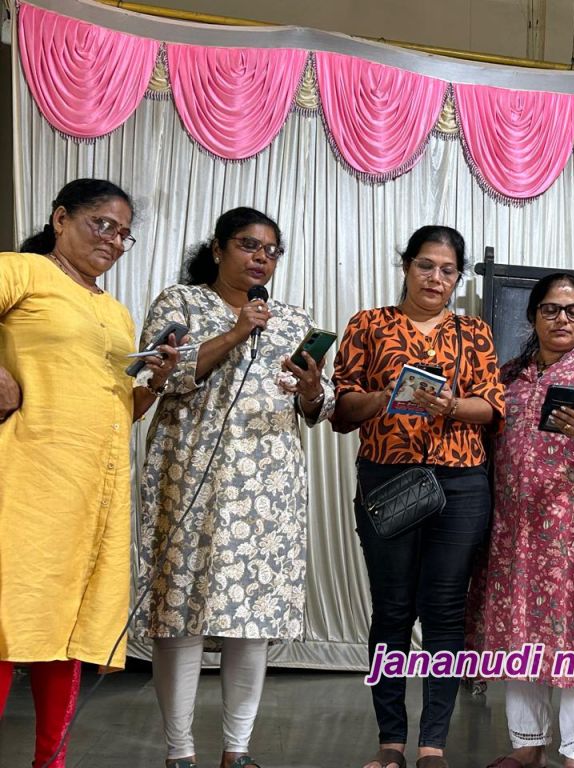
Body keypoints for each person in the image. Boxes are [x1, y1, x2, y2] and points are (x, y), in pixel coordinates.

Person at [133, 207, 335, 768]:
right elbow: (161, 378)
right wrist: (237, 331)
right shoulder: (180, 304)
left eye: (271, 250)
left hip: (268, 487)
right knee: (180, 612)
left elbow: (321, 408)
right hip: (187, 477)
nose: (261, 258)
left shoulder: (293, 320)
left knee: (253, 616)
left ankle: (237, 750)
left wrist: (313, 389)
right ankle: (179, 751)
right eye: (249, 245)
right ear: (218, 249)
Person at [0, 179, 180, 768]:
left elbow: (119, 408)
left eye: (124, 234)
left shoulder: (114, 311)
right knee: (9, 616)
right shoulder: (22, 271)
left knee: (68, 627)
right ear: (60, 219)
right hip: (28, 477)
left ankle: (50, 761)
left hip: (93, 489)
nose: (114, 240)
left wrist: (153, 381)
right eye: (102, 224)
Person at [332, 225, 505, 768]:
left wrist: (450, 406)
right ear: (406, 265)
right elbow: (342, 411)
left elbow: (493, 407)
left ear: (457, 277)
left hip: (461, 483)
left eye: (448, 270)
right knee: (392, 610)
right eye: (425, 265)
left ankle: (433, 744)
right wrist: (386, 396)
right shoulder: (368, 324)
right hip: (389, 477)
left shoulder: (473, 332)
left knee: (445, 612)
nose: (435, 278)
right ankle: (390, 742)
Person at [472, 273, 574, 768]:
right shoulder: (509, 374)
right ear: (533, 315)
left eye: (572, 311)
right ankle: (527, 747)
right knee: (519, 630)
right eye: (550, 309)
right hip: (515, 528)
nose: (562, 319)